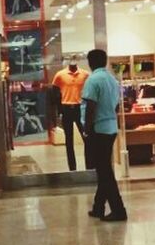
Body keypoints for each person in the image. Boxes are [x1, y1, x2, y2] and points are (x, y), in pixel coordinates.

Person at [83, 49, 126, 222]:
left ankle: (118, 210)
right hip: (111, 127)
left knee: (105, 172)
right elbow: (116, 105)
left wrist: (87, 128)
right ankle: (98, 207)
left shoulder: (92, 80)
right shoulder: (112, 80)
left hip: (98, 129)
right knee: (103, 169)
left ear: (90, 62)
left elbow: (90, 107)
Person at [52, 61, 90, 171]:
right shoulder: (60, 75)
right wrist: (59, 110)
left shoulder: (85, 74)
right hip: (66, 108)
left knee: (86, 138)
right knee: (69, 141)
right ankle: (72, 169)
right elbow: (55, 93)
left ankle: (89, 166)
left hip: (80, 108)